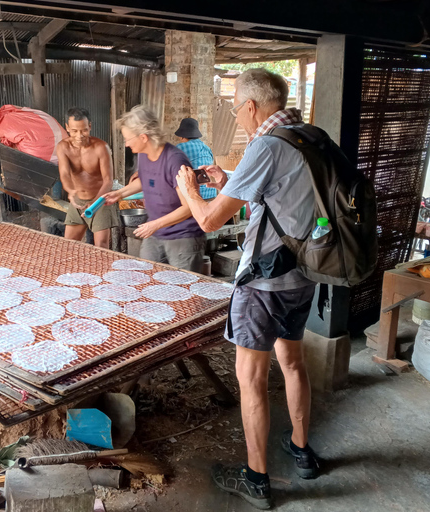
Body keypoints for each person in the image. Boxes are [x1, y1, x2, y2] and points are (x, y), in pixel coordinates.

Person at [175, 69, 320, 510]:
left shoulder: (265, 144)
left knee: (251, 378)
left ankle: (256, 478)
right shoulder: (307, 137)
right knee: (292, 363)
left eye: (236, 107)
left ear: (252, 106)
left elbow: (209, 221)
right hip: (305, 273)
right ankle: (301, 450)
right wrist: (228, 181)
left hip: (263, 283)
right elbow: (284, 195)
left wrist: (188, 191)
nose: (237, 115)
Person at [103, 106, 206, 272]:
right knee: (145, 278)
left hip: (182, 237)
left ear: (143, 137)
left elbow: (188, 208)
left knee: (182, 290)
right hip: (156, 231)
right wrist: (119, 193)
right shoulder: (144, 154)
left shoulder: (175, 160)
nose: (127, 144)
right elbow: (145, 180)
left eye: (128, 139)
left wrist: (155, 225)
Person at [56, 107, 118, 249]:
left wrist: (95, 203)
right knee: (69, 244)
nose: (79, 136)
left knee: (101, 246)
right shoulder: (63, 147)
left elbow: (108, 180)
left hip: (101, 200)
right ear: (67, 128)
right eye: (74, 131)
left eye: (84, 130)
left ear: (90, 126)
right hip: (78, 201)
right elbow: (64, 174)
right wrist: (71, 191)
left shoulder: (101, 147)